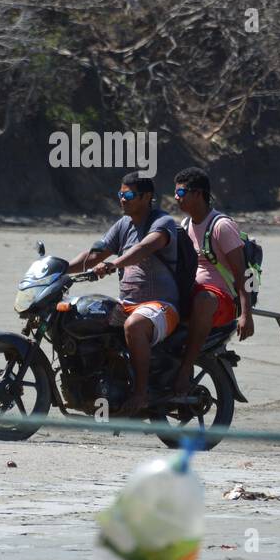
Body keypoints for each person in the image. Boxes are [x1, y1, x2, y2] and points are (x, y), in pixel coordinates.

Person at [67, 173, 181, 416]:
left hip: (162, 306)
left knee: (134, 326)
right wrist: (60, 270)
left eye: (128, 195)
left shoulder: (162, 222)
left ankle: (141, 393)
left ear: (147, 197)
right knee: (83, 322)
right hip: (127, 304)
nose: (122, 199)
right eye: (120, 194)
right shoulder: (123, 225)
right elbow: (95, 254)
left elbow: (143, 248)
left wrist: (113, 265)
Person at [172, 167, 253, 396]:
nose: (176, 198)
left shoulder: (221, 226)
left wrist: (246, 315)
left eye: (181, 192)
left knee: (203, 300)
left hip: (220, 301)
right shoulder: (185, 225)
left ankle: (186, 367)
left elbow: (243, 273)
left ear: (198, 194)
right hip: (192, 293)